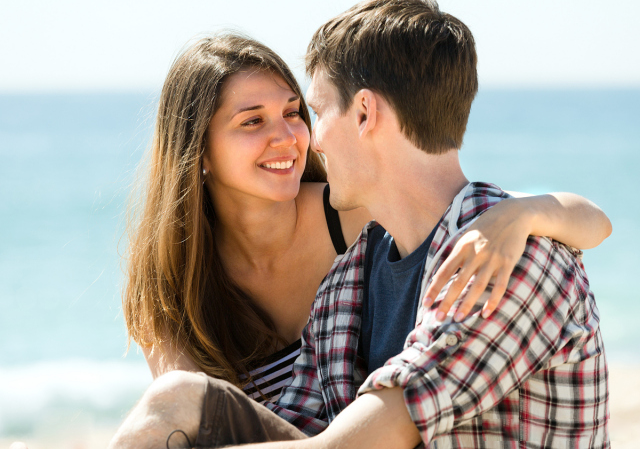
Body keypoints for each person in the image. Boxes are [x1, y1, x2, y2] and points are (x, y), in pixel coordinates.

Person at [101, 12, 613, 448]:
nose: (308, 140)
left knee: (181, 400)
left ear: (365, 112)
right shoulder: (347, 282)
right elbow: (298, 427)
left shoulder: (501, 257)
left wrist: (525, 213)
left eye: (311, 111)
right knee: (179, 402)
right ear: (199, 152)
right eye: (252, 122)